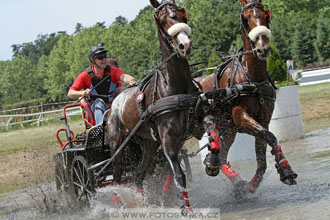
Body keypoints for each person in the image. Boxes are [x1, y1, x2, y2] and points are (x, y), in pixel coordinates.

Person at [68, 42, 137, 125]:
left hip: (116, 106)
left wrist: (132, 80)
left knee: (124, 92)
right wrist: (82, 92)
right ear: (92, 60)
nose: (104, 60)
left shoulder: (112, 70)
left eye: (105, 57)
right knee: (98, 102)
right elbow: (70, 93)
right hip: (98, 109)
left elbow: (124, 76)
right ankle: (100, 130)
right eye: (100, 58)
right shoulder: (85, 75)